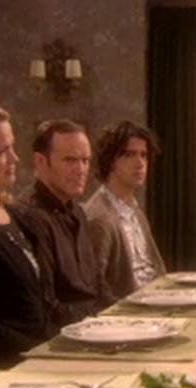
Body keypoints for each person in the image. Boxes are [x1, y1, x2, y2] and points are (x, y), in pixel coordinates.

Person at [0, 98, 51, 381]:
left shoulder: (17, 216)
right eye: (2, 152)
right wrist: (45, 355)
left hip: (35, 366)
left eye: (12, 147)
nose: (15, 159)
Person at [19, 119, 114, 327]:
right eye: (70, 160)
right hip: (67, 331)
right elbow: (47, 304)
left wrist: (120, 315)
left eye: (85, 160)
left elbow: (97, 283)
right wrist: (98, 322)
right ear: (41, 162)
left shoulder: (77, 210)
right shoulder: (31, 217)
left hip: (95, 324)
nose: (81, 170)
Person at [84, 121, 165, 299]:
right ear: (111, 161)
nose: (140, 163)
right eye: (129, 155)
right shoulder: (99, 217)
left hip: (157, 299)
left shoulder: (135, 210)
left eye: (144, 155)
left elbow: (155, 268)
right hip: (130, 308)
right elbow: (96, 285)